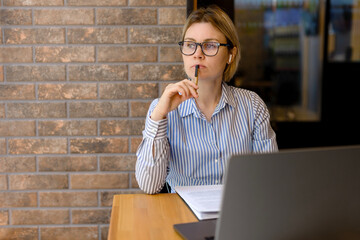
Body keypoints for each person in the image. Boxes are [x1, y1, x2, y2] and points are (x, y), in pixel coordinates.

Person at [136, 5, 278, 194]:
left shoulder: (252, 105)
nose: (197, 53)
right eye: (190, 44)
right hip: (182, 215)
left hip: (237, 213)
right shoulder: (162, 109)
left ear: (230, 54)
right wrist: (159, 116)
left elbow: (269, 178)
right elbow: (149, 186)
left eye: (210, 45)